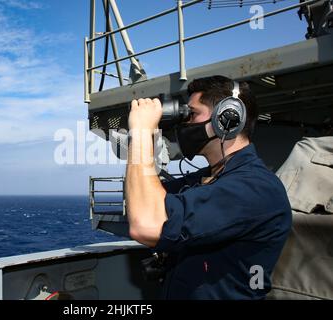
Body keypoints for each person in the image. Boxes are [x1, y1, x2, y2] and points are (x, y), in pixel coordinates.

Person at [125, 75, 292, 299]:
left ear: (227, 118)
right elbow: (140, 201)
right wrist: (146, 138)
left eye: (192, 114)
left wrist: (141, 134)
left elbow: (146, 224)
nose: (185, 123)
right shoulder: (208, 179)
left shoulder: (254, 188)